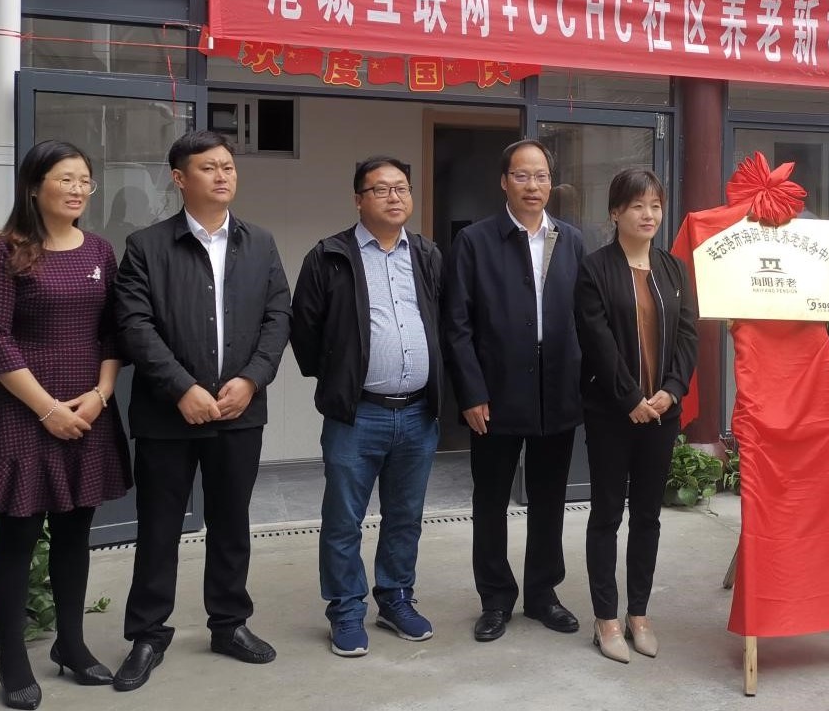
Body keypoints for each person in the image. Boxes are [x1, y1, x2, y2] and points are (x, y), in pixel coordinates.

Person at [112, 130, 291, 690]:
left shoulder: (259, 242)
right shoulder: (146, 245)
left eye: (228, 166)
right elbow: (134, 324)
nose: (222, 175)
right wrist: (181, 388)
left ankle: (230, 624)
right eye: (209, 167)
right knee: (159, 528)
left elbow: (278, 317)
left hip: (240, 410)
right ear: (179, 178)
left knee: (232, 524)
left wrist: (252, 378)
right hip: (168, 415)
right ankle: (147, 635)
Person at [0, 140, 131, 710]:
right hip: (25, 411)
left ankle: (71, 645)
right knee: (19, 534)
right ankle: (13, 658)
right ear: (35, 187)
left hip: (88, 410)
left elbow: (112, 332)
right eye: (66, 179)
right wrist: (48, 409)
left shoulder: (100, 250)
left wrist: (100, 395)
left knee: (76, 532)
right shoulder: (6, 252)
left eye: (85, 180)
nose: (78, 190)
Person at [290, 156, 444, 657]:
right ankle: (346, 609)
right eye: (381, 189)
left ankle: (396, 598)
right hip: (358, 414)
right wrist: (340, 376)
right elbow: (304, 331)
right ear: (358, 199)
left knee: (406, 516)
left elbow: (443, 320)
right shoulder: (329, 256)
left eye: (402, 188)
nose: (394, 197)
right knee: (343, 519)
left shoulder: (426, 254)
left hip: (418, 412)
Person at [442, 139, 586, 643]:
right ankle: (496, 599)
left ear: (551, 183)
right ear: (503, 181)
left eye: (541, 176)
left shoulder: (571, 240)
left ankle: (543, 594)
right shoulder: (475, 241)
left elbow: (587, 318)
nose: (532, 186)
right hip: (495, 392)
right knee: (491, 500)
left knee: (550, 499)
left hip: (557, 390)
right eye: (522, 176)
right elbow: (456, 324)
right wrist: (470, 392)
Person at [574, 168, 697, 663]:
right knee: (607, 515)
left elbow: (688, 335)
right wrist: (630, 399)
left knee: (648, 516)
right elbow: (597, 341)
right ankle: (606, 618)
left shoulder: (672, 269)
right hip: (612, 413)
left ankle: (639, 614)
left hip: (662, 414)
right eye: (637, 206)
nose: (648, 215)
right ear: (615, 213)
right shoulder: (594, 269)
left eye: (655, 205)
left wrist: (672, 390)